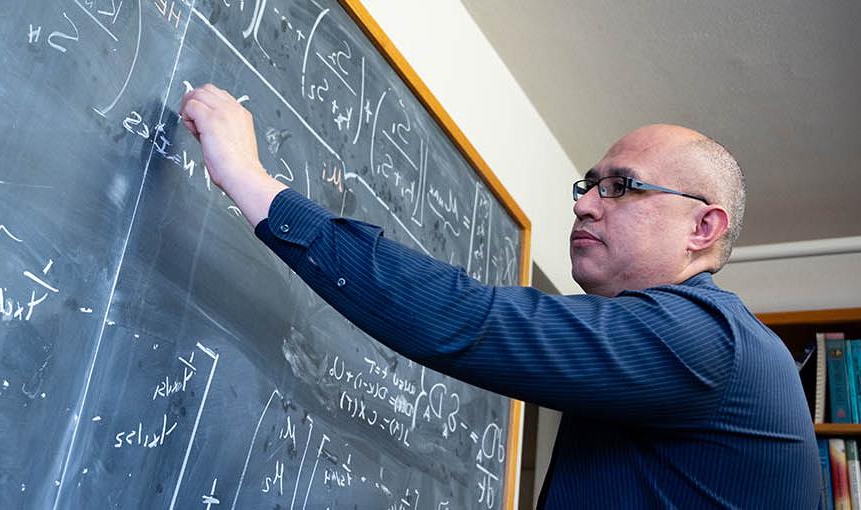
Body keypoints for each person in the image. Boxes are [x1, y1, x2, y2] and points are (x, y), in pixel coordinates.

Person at [178, 83, 819, 508]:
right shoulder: (675, 355)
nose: (588, 204)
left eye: (623, 186)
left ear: (703, 228)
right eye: (588, 185)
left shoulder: (710, 341)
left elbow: (471, 321)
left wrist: (249, 180)